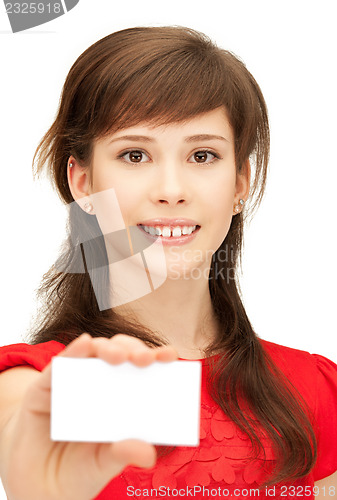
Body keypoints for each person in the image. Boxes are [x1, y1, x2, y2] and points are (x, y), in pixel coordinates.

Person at [0, 25, 336, 500]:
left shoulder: (314, 389)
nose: (172, 189)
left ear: (240, 182)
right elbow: (21, 431)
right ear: (82, 183)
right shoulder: (38, 384)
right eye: (135, 154)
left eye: (203, 155)